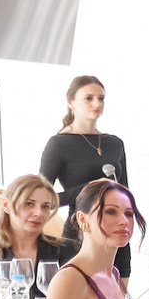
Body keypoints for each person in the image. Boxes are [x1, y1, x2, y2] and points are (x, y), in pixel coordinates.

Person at [39, 76, 130, 281]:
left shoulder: (115, 144)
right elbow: (43, 199)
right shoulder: (59, 144)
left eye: (101, 98)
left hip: (116, 232)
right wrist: (90, 188)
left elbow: (125, 193)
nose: (97, 103)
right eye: (89, 98)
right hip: (79, 234)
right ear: (71, 103)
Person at [0, 174, 68, 299]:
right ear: (6, 206)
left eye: (45, 206)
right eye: (29, 204)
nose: (39, 213)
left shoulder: (69, 251)